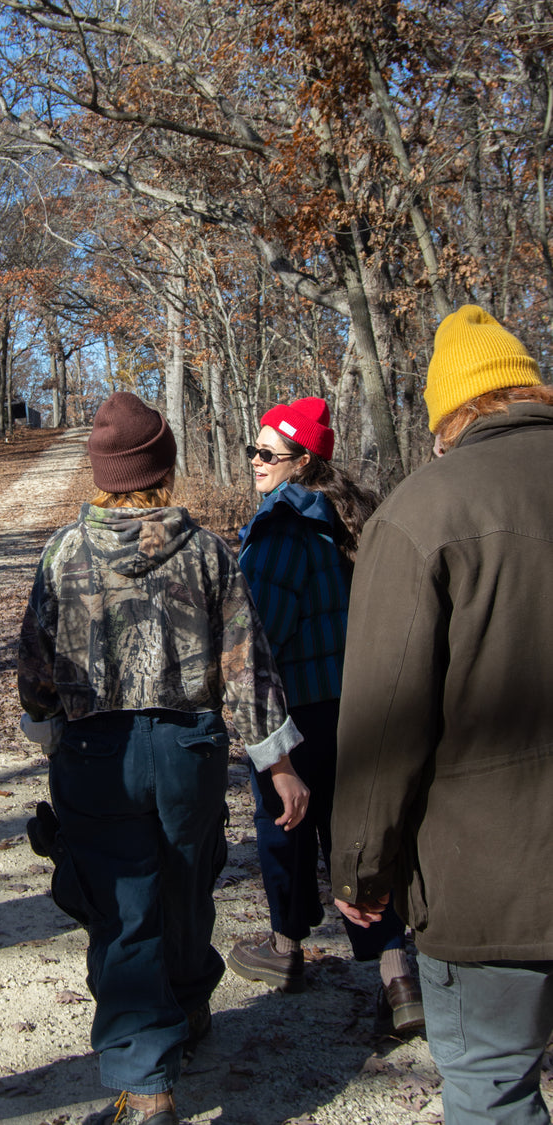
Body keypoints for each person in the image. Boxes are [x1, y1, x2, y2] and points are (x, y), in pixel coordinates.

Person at [17, 392, 309, 1125]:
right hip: (189, 750)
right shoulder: (209, 552)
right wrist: (278, 762)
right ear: (165, 468)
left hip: (96, 755)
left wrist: (46, 722)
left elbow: (36, 665)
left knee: (121, 907)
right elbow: (247, 663)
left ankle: (148, 1078)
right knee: (186, 883)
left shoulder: (65, 552)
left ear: (102, 472)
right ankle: (185, 1009)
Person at [331, 305, 553, 1124]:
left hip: (485, 883)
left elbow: (386, 715)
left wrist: (360, 865)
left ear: (449, 416)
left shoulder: (422, 514)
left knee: (493, 1089)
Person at [226, 397, 424, 1033]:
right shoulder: (351, 517)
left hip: (296, 710)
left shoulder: (284, 525)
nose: (255, 461)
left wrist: (241, 705)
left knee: (285, 823)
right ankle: (398, 979)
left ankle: (285, 952)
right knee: (357, 837)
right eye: (253, 450)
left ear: (302, 460)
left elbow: (259, 633)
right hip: (358, 703)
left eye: (268, 453)